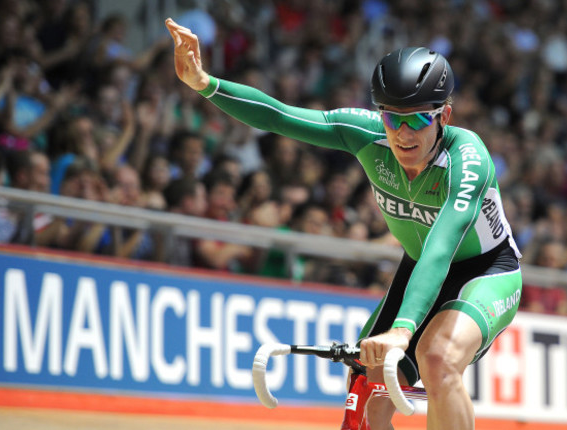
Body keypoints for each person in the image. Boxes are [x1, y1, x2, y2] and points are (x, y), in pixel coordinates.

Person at [166, 18, 523, 430]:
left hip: (486, 270)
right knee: (366, 399)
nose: (403, 134)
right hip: (420, 266)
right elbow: (279, 116)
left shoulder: (468, 158)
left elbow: (442, 246)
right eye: (392, 118)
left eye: (418, 121)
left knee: (437, 358)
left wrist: (403, 330)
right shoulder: (365, 134)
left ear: (444, 116)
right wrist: (204, 82)